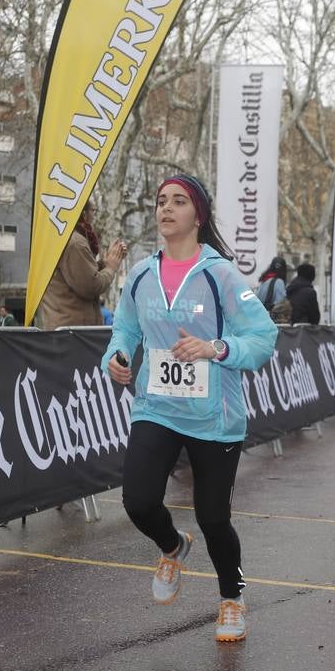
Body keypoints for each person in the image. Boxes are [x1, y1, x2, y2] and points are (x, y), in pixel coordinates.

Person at [104, 174, 277, 643]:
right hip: (156, 408)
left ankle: (232, 599)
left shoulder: (219, 274)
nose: (167, 209)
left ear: (197, 215)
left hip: (214, 418)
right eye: (161, 201)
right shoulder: (140, 273)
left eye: (179, 201)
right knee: (138, 502)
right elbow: (124, 330)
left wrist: (215, 349)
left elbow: (263, 340)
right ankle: (172, 546)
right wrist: (116, 358)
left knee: (214, 519)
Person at [43, 201, 128, 329]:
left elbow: (81, 275)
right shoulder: (76, 243)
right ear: (84, 213)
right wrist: (111, 267)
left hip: (66, 328)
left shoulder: (63, 236)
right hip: (74, 332)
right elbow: (91, 285)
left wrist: (105, 263)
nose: (94, 216)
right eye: (93, 211)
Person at [257, 256, 290, 323]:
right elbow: (280, 306)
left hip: (261, 319)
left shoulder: (264, 281)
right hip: (272, 322)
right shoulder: (279, 282)